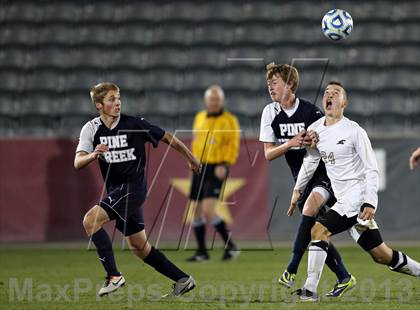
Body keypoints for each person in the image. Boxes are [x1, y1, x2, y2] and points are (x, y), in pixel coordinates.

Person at [291, 81, 420, 302]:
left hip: (357, 197)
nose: (330, 95)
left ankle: (309, 290)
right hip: (344, 200)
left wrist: (370, 202)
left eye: (336, 93)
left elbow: (371, 168)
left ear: (344, 103)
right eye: (327, 93)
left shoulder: (354, 131)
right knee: (382, 255)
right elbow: (312, 160)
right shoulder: (316, 130)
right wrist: (298, 189)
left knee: (318, 230)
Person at [74, 82, 201, 297]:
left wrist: (191, 158)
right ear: (99, 105)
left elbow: (167, 137)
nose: (117, 103)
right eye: (112, 99)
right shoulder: (91, 128)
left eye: (119, 98)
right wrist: (93, 155)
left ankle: (114, 276)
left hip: (133, 188)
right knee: (139, 247)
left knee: (90, 220)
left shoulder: (134, 124)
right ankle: (182, 279)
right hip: (117, 191)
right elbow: (78, 162)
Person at [260, 63, 354, 297]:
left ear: (290, 84)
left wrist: (314, 140)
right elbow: (268, 154)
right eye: (268, 83)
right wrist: (290, 143)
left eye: (275, 83)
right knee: (315, 230)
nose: (270, 87)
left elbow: (327, 140)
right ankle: (344, 277)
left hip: (323, 174)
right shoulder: (269, 113)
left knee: (312, 214)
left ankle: (292, 269)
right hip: (300, 178)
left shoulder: (311, 113)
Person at [186, 85, 241, 262]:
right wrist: (193, 160)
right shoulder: (199, 117)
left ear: (222, 101)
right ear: (206, 101)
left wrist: (225, 164)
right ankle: (202, 251)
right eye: (212, 99)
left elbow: (233, 145)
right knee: (195, 210)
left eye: (217, 99)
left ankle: (230, 246)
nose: (215, 102)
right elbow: (196, 142)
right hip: (199, 166)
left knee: (209, 209)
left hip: (217, 167)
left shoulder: (229, 120)